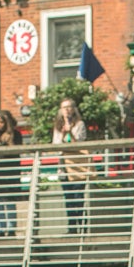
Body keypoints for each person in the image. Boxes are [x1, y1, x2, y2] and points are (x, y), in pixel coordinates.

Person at [52, 96, 90, 233]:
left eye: (69, 107)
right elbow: (56, 145)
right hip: (63, 167)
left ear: (74, 109)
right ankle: (72, 226)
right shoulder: (57, 126)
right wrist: (63, 133)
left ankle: (82, 225)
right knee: (68, 197)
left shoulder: (80, 124)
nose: (67, 110)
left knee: (78, 196)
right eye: (64, 107)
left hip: (76, 165)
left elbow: (78, 142)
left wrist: (70, 132)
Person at [0, 110, 23, 237]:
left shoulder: (16, 134)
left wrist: (6, 142)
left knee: (10, 200)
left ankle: (11, 227)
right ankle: (0, 228)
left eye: (2, 122)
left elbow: (16, 151)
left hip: (9, 171)